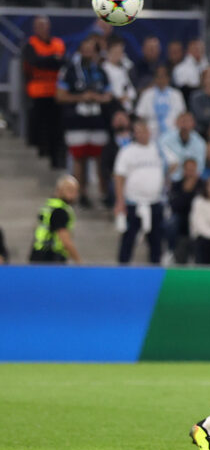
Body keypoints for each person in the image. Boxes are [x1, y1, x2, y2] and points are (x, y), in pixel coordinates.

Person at [57, 34, 114, 209]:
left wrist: (96, 97)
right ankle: (81, 194)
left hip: (97, 121)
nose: (88, 52)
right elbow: (60, 96)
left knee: (100, 159)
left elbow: (109, 95)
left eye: (92, 48)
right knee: (79, 158)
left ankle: (104, 194)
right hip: (77, 120)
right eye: (85, 48)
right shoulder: (70, 70)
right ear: (80, 50)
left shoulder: (102, 71)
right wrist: (81, 97)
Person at [114, 117, 176, 264]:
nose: (142, 134)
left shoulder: (159, 149)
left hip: (155, 202)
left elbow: (174, 163)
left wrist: (165, 177)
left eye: (144, 131)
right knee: (128, 238)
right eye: (138, 132)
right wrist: (120, 201)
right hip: (133, 202)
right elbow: (119, 176)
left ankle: (155, 269)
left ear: (149, 132)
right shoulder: (128, 151)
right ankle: (122, 267)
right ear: (134, 134)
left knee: (156, 239)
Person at [22, 15, 66, 168]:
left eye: (44, 25)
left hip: (56, 93)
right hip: (38, 93)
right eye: (38, 26)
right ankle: (40, 155)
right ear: (34, 28)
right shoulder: (30, 44)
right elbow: (34, 62)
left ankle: (56, 160)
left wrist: (46, 61)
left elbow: (62, 63)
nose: (42, 29)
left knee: (56, 129)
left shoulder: (58, 43)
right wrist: (52, 60)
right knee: (39, 127)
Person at [28, 175, 82, 264]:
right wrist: (79, 261)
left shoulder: (49, 205)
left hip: (37, 254)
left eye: (75, 191)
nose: (74, 194)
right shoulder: (60, 211)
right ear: (59, 190)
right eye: (69, 190)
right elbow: (65, 240)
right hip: (51, 257)